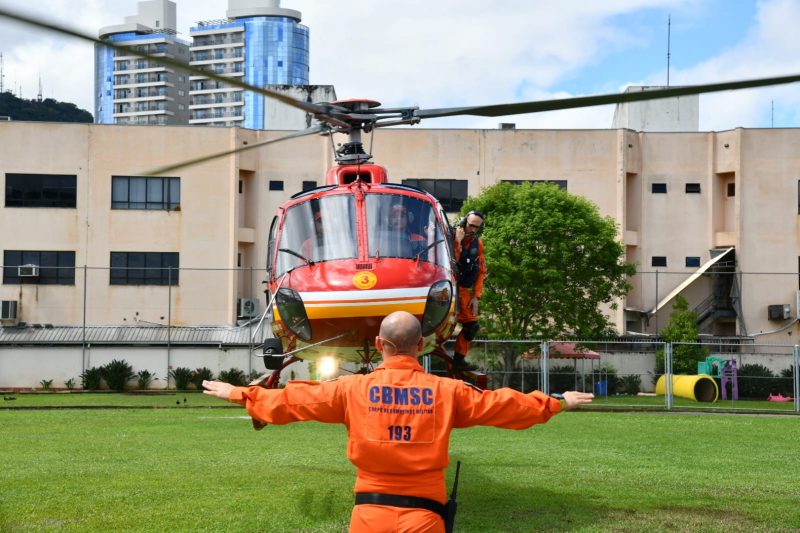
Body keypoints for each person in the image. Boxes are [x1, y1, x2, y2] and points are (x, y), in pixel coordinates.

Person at [203, 311, 593, 533]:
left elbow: (294, 400)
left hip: (368, 516)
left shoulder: (351, 389)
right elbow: (503, 406)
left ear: (379, 345)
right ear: (421, 346)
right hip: (425, 518)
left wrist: (240, 393)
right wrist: (556, 403)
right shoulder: (447, 392)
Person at [452, 210, 487, 370]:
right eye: (471, 225)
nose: (473, 230)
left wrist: (476, 296)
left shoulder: (477, 245)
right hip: (446, 286)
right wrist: (457, 242)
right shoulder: (450, 237)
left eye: (476, 227)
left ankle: (458, 361)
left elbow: (481, 271)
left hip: (463, 290)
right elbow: (452, 261)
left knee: (472, 326)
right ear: (463, 223)